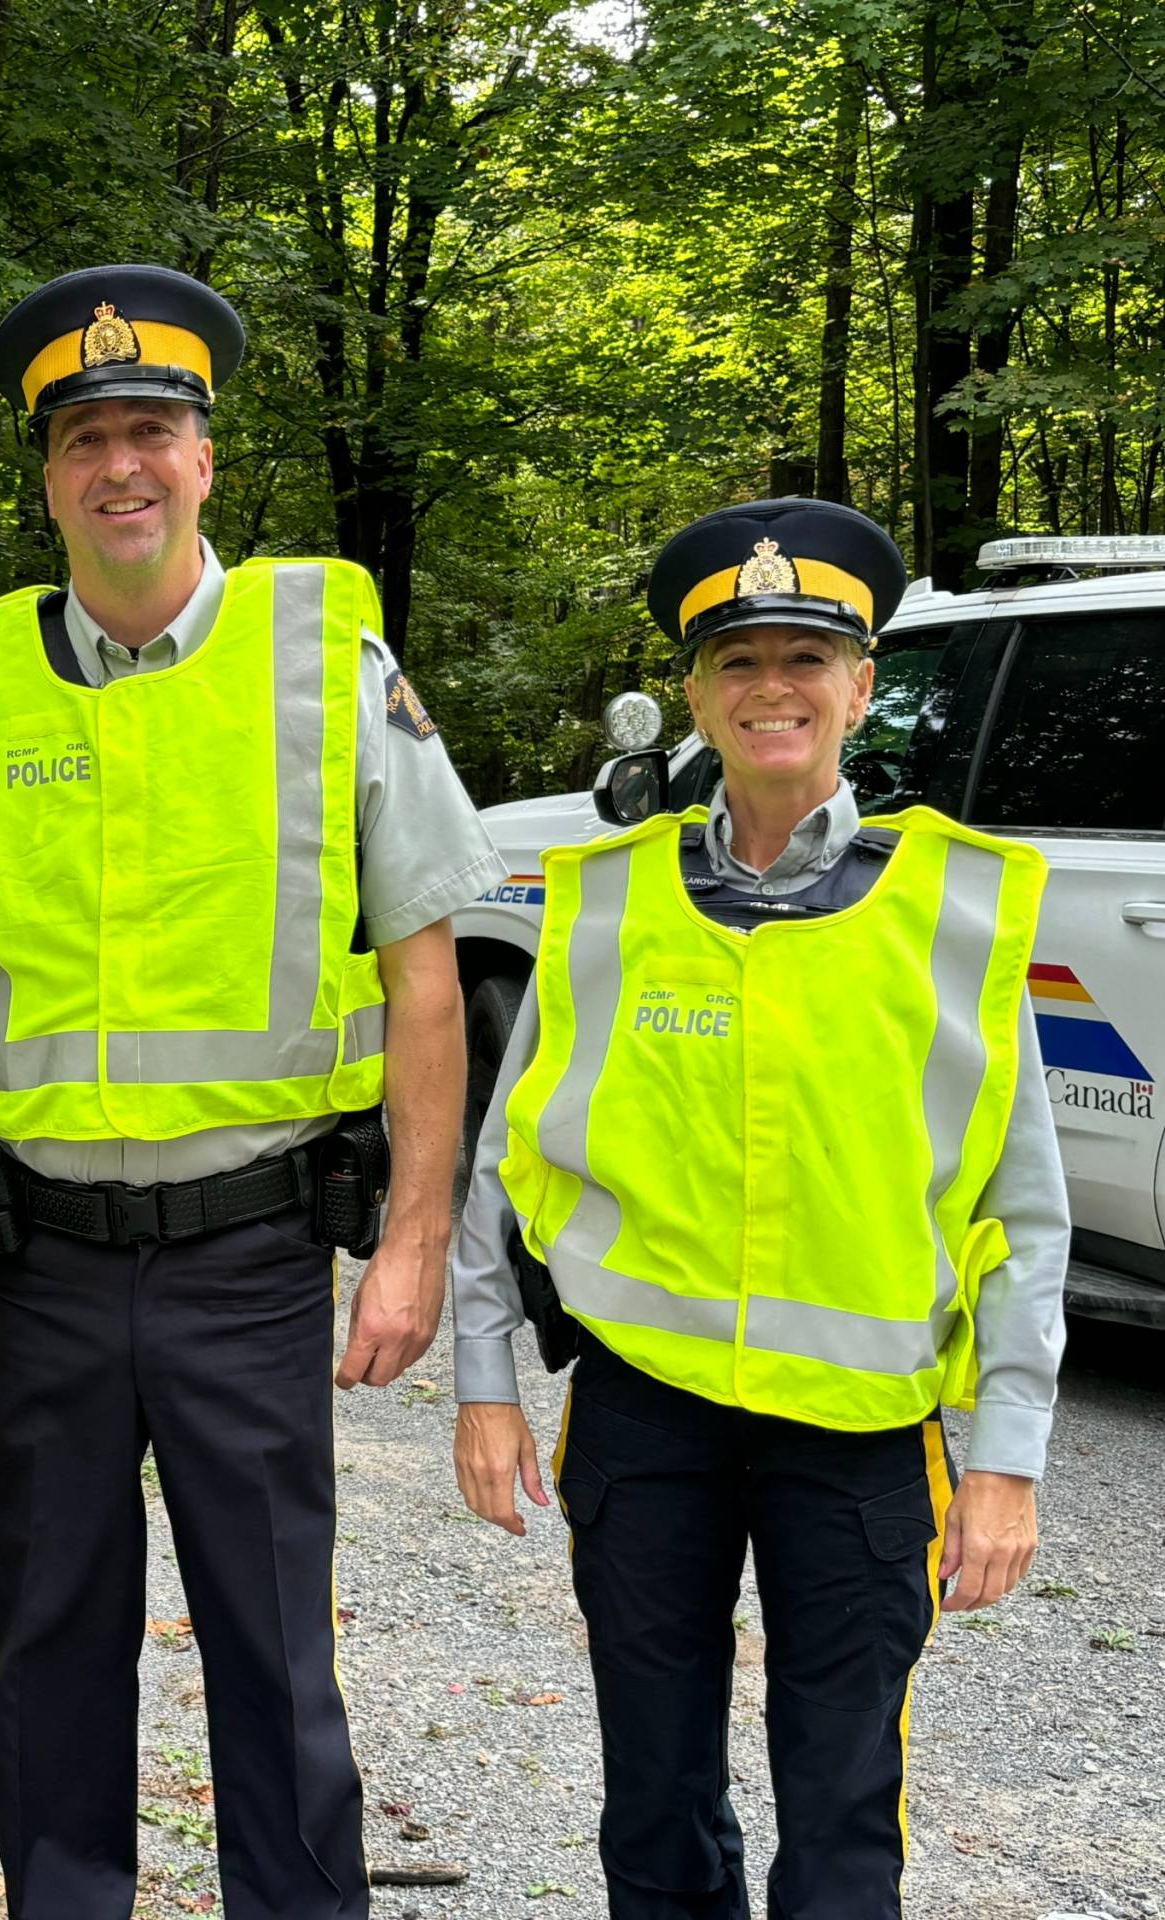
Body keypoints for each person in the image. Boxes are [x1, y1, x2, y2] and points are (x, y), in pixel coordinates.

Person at [0, 265, 503, 1920]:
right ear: (49, 475)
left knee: (276, 1649)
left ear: (206, 459)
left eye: (150, 431)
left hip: (252, 1256)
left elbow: (426, 980)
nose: (121, 467)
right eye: (85, 439)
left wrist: (416, 1241)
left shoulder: (326, 663)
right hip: (42, 1264)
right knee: (50, 1642)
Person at [450, 498, 1067, 1919]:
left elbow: (1021, 1210)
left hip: (860, 1437)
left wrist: (1010, 1457)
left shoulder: (954, 908)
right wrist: (484, 1383)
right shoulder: (606, 902)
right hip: (645, 1416)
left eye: (807, 658)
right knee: (652, 1797)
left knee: (843, 1809)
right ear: (696, 694)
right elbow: (507, 1165)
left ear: (861, 686)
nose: (771, 687)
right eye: (738, 660)